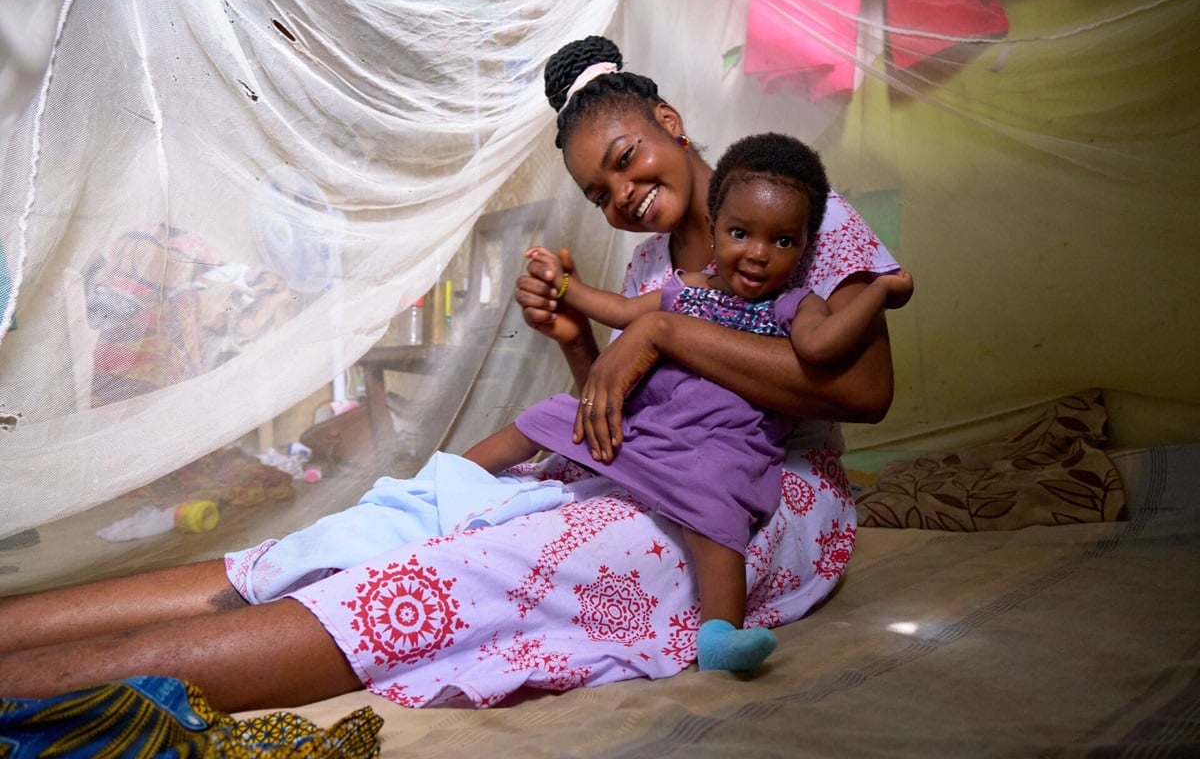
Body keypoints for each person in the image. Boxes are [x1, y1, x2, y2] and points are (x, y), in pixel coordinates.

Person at [0, 36, 901, 713]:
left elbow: (864, 393)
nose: (621, 195)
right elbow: (630, 406)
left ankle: (57, 680)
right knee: (384, 525)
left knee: (469, 568)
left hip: (752, 499)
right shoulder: (648, 269)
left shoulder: (792, 212)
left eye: (625, 160)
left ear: (668, 124)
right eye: (599, 192)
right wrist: (574, 342)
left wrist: (662, 330)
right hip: (641, 465)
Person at [467, 132, 913, 671]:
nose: (756, 254)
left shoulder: (797, 305)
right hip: (650, 431)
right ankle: (453, 478)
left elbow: (820, 348)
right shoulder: (687, 289)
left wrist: (878, 294)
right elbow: (620, 312)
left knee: (717, 512)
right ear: (715, 228)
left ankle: (720, 635)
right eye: (740, 233)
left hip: (722, 446)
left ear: (803, 247)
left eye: (782, 243)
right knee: (544, 418)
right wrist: (567, 290)